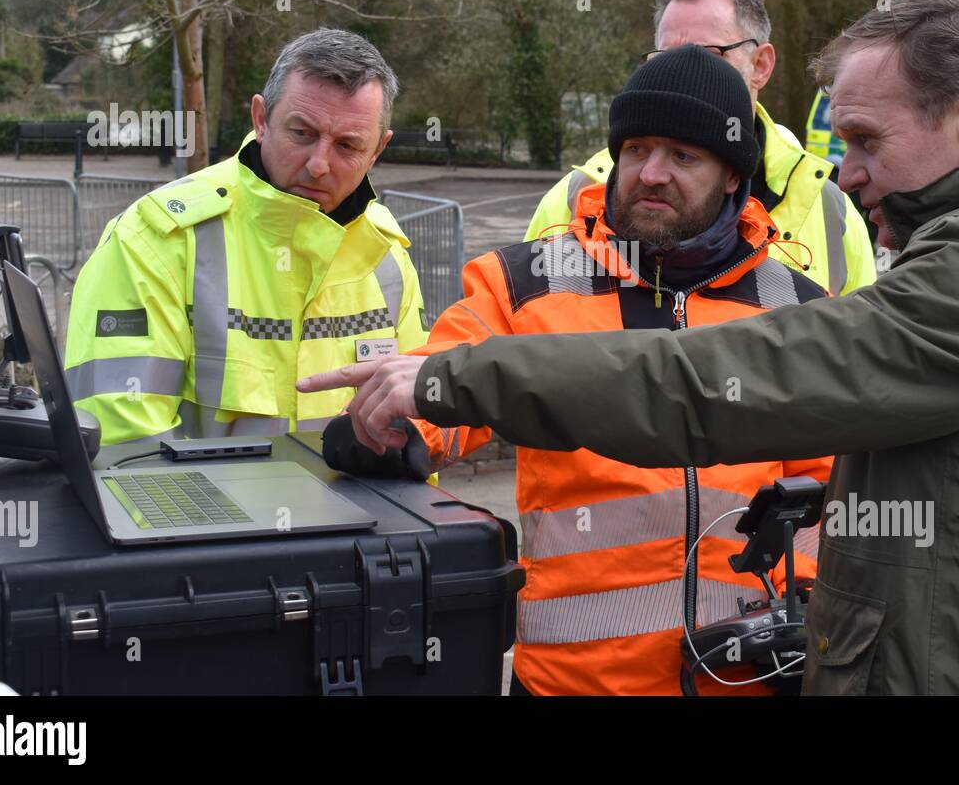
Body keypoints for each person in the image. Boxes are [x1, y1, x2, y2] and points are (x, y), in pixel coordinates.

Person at [305, 0, 959, 695]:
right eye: (633, 149)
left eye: (868, 137)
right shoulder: (531, 278)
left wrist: (453, 378)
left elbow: (718, 386)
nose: (850, 170)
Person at [305, 45, 831, 695]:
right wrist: (391, 429)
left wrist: (804, 605)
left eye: (683, 156)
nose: (652, 173)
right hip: (571, 683)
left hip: (746, 681)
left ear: (733, 176)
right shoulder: (525, 284)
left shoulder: (799, 309)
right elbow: (442, 379)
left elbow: (828, 489)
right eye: (636, 149)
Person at [66, 28, 427, 443]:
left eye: (347, 145)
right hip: (205, 510)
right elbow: (126, 445)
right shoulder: (156, 238)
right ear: (260, 118)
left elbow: (417, 425)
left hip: (371, 510)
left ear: (378, 150)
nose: (318, 165)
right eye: (302, 133)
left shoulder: (387, 255)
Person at [525, 0, 876, 297]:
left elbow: (861, 350)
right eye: (666, 58)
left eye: (708, 56)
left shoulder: (828, 207)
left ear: (761, 66)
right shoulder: (578, 194)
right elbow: (524, 326)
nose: (683, 77)